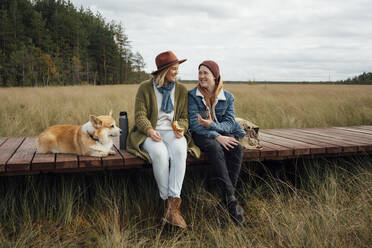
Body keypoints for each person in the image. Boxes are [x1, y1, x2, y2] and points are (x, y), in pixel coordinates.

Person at [127, 51, 200, 229]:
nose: (176, 72)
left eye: (177, 69)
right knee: (160, 154)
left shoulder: (181, 90)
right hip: (150, 132)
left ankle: (173, 207)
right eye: (173, 69)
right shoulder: (145, 88)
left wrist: (180, 127)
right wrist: (150, 131)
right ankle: (167, 201)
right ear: (164, 71)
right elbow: (140, 115)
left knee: (179, 151)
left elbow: (184, 117)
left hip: (173, 132)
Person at [188, 60, 246, 224]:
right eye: (200, 73)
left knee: (237, 149)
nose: (201, 76)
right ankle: (232, 202)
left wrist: (213, 125)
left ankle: (225, 202)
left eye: (206, 73)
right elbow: (194, 124)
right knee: (215, 148)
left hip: (220, 132)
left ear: (215, 75)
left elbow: (230, 123)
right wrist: (216, 135)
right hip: (201, 135)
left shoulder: (228, 97)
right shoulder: (193, 95)